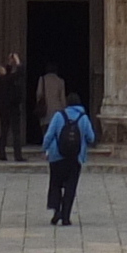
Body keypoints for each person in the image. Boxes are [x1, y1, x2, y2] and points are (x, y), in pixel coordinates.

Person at [42, 92, 94, 226]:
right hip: (75, 157)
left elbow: (49, 134)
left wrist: (44, 148)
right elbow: (91, 137)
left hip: (56, 156)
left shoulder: (59, 116)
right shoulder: (83, 118)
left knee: (55, 184)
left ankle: (56, 211)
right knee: (71, 186)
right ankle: (66, 217)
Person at [0, 53, 29, 162]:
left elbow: (9, 74)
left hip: (3, 110)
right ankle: (18, 156)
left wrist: (9, 62)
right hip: (13, 109)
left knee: (4, 132)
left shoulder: (0, 81)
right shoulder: (7, 79)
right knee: (16, 133)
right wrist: (17, 62)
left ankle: (2, 154)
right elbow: (20, 73)